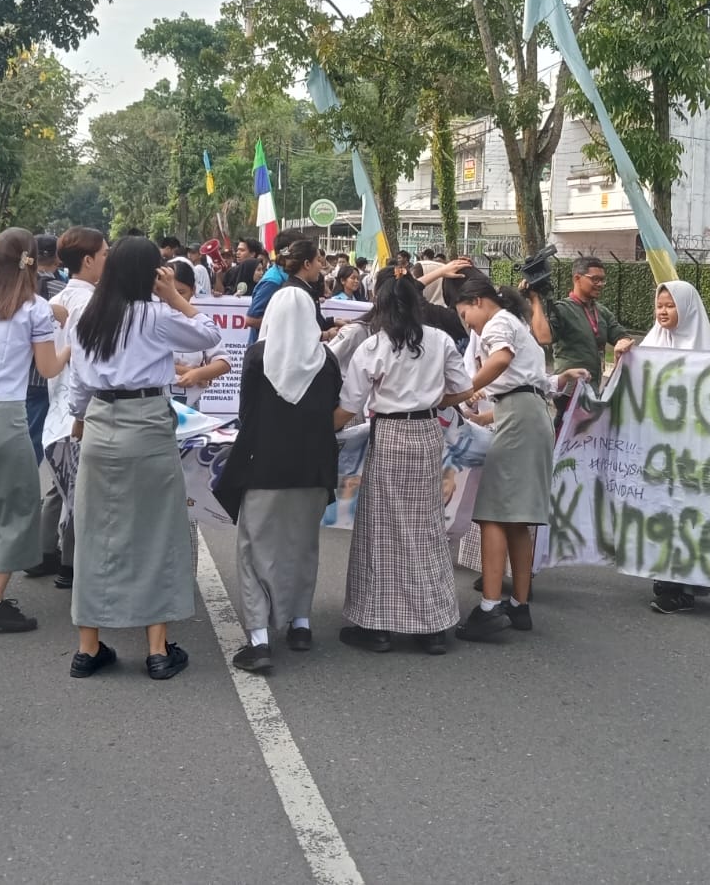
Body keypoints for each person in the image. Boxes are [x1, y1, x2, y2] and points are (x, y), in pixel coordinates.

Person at [63, 236, 223, 681]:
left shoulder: (85, 316)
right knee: (157, 532)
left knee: (96, 532)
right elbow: (210, 334)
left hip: (99, 422)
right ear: (152, 273)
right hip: (148, 421)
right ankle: (156, 649)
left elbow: (77, 387)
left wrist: (80, 420)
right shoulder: (155, 315)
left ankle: (87, 647)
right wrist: (172, 295)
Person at [332, 271, 473, 654]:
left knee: (382, 529)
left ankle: (377, 626)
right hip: (427, 435)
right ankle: (432, 628)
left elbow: (349, 407)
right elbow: (462, 389)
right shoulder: (441, 340)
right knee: (426, 526)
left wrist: (317, 430)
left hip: (390, 436)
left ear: (379, 305)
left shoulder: (373, 346)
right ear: (417, 303)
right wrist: (431, 401)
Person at [452, 275, 586, 641]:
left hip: (519, 419)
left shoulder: (498, 323)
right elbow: (529, 382)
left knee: (493, 514)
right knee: (517, 519)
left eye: (466, 315)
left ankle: (490, 606)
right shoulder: (514, 322)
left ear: (478, 301)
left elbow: (502, 360)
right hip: (527, 415)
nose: (469, 324)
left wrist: (465, 390)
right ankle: (519, 605)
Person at [217, 286, 341, 674]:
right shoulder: (327, 361)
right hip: (315, 470)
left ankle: (258, 638)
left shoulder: (258, 357)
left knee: (254, 551)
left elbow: (246, 414)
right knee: (303, 546)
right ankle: (300, 624)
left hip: (265, 468)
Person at [0, 228, 65, 635]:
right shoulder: (34, 308)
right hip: (5, 415)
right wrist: (68, 346)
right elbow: (48, 368)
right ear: (32, 260)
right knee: (18, 506)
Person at [619, 281, 710, 615]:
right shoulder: (650, 345)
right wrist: (624, 355)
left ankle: (684, 587)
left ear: (687, 308)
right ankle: (665, 577)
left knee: (689, 515)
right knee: (661, 513)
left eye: (670, 306)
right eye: (659, 305)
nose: (663, 311)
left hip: (696, 452)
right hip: (658, 449)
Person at [33, 226, 108, 589]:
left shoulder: (58, 300)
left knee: (63, 486)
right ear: (89, 260)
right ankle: (71, 565)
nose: (108, 261)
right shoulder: (92, 303)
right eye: (105, 254)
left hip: (57, 403)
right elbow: (86, 364)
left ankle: (51, 555)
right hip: (82, 408)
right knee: (84, 491)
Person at [543, 257, 631, 432]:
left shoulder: (601, 311)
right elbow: (545, 336)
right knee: (565, 436)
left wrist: (623, 342)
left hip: (593, 388)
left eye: (602, 279)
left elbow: (620, 334)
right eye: (594, 279)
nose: (600, 284)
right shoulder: (562, 309)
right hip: (569, 390)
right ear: (577, 278)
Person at [24, 234, 65, 465]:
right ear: (57, 257)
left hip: (19, 374)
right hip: (46, 375)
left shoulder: (18, 287)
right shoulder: (62, 288)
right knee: (35, 438)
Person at [168, 260, 232, 408]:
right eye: (169, 292)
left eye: (181, 292)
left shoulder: (200, 323)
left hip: (190, 406)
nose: (174, 299)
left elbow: (224, 362)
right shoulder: (152, 319)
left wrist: (199, 374)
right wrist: (188, 371)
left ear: (193, 290)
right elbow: (148, 362)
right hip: (156, 405)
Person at [246, 230, 297, 343]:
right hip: (264, 353)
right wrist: (289, 325)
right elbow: (251, 319)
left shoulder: (289, 276)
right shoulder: (273, 281)